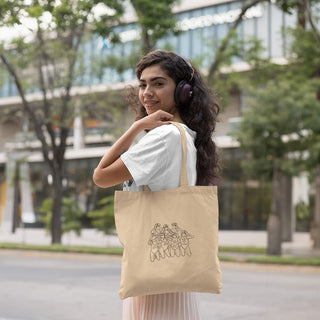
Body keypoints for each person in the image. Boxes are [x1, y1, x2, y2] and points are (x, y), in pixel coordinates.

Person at [93, 50, 220, 320]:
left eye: (158, 83)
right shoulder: (186, 135)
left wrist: (136, 127)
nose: (147, 92)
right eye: (142, 84)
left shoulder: (163, 137)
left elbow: (101, 175)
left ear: (184, 91)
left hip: (155, 272)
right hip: (175, 271)